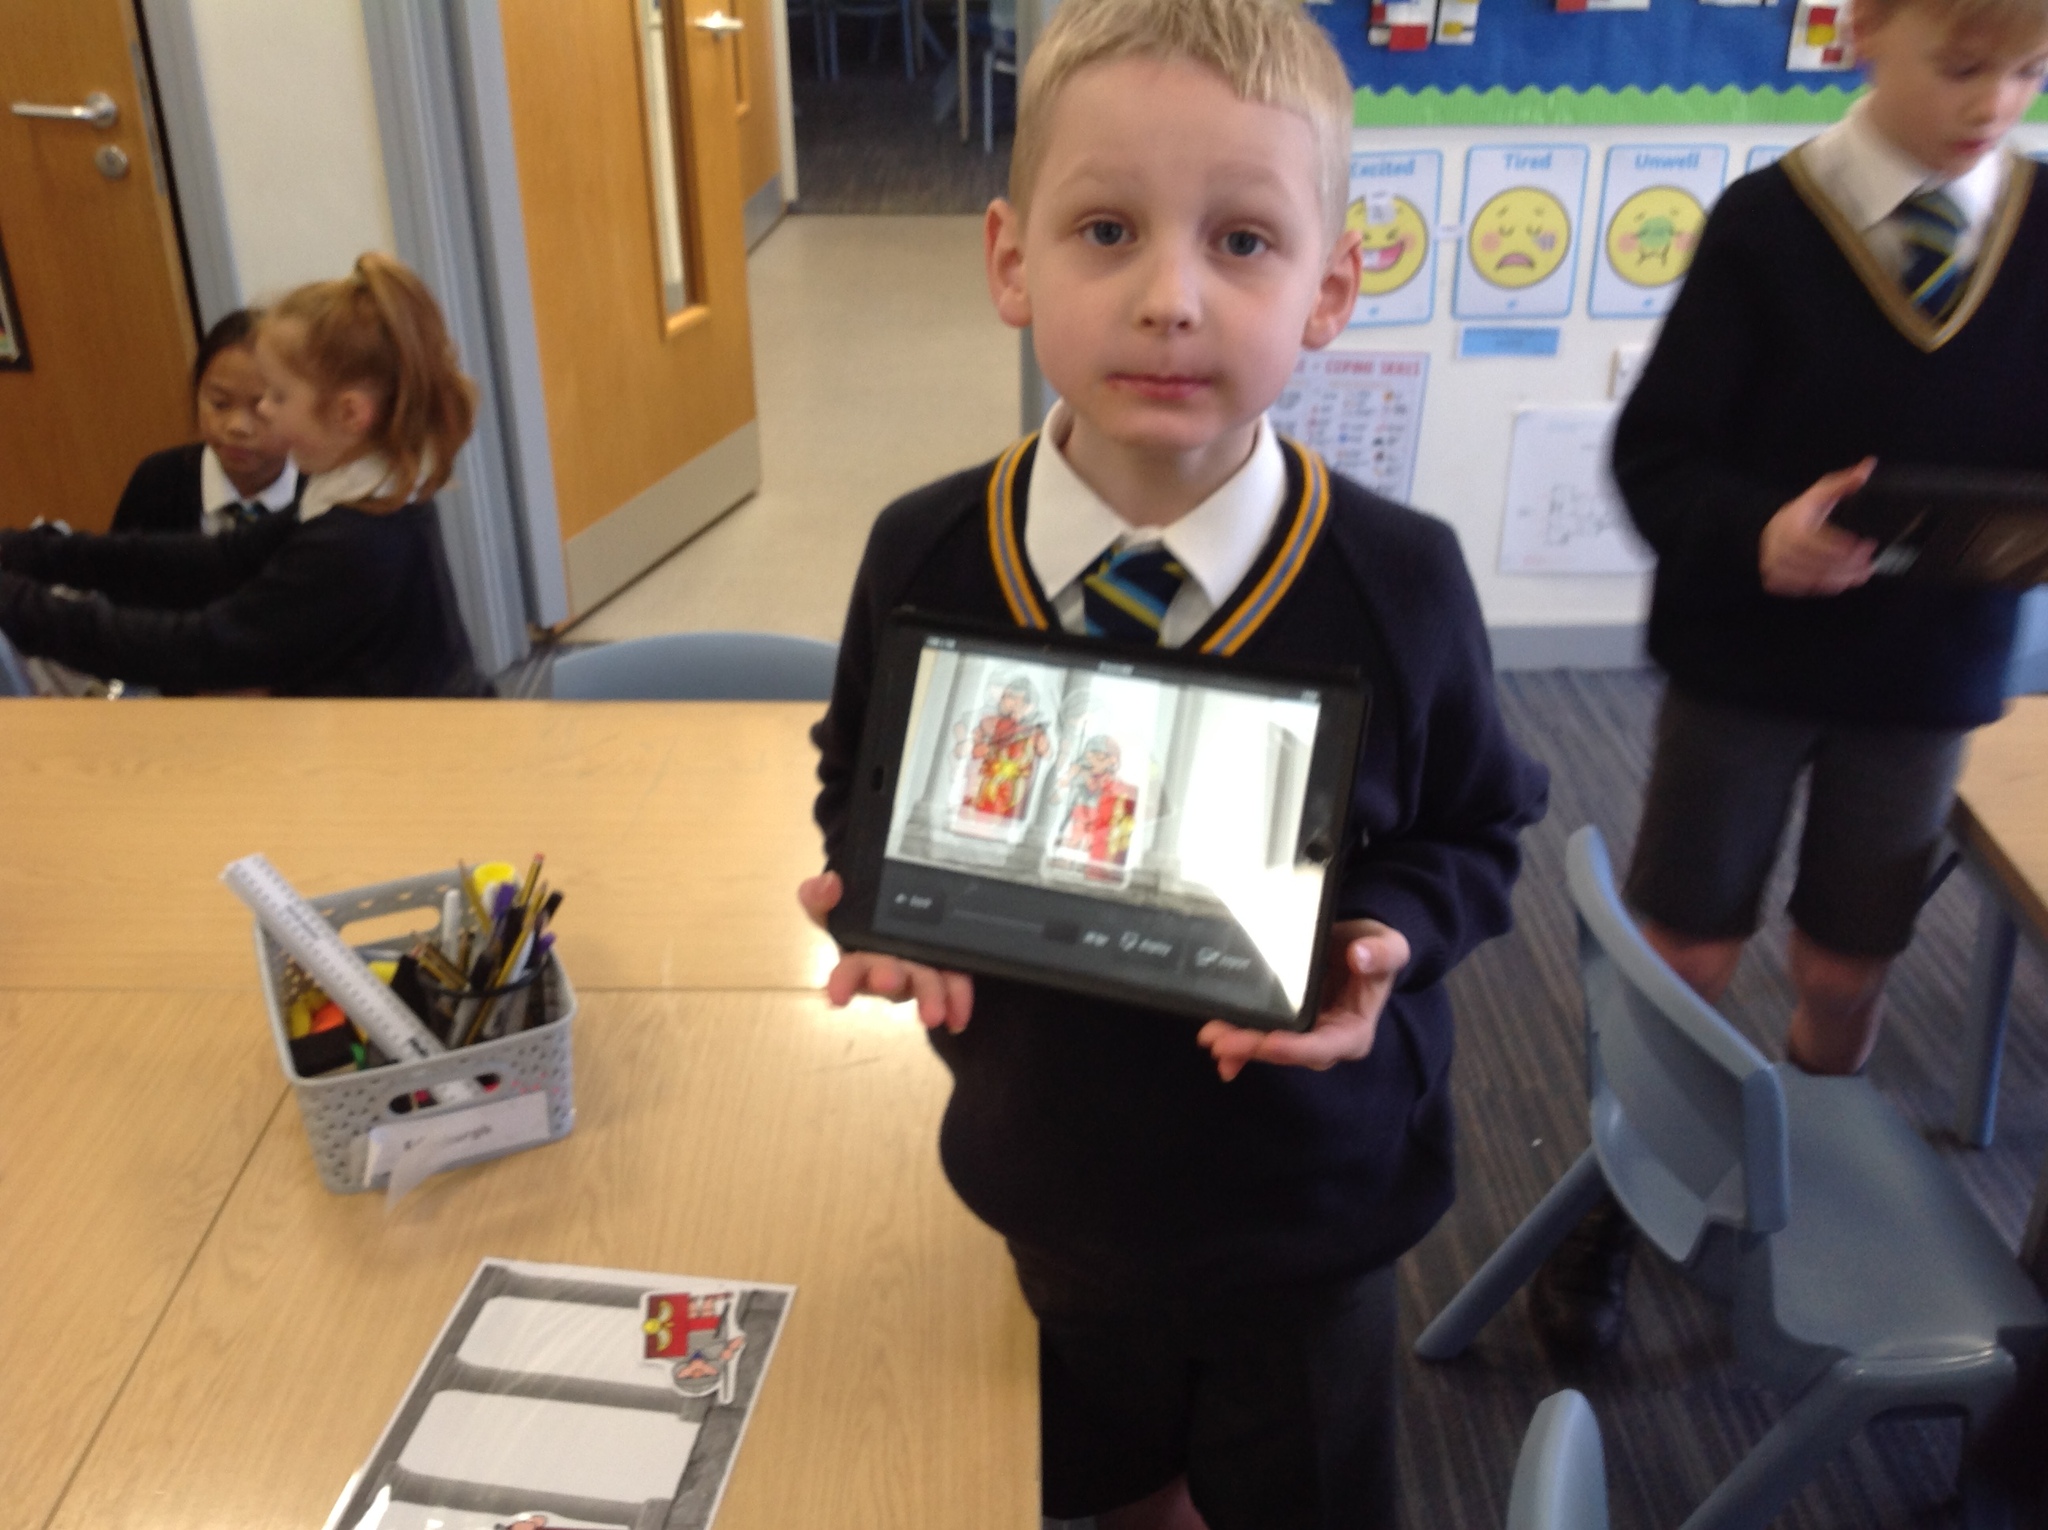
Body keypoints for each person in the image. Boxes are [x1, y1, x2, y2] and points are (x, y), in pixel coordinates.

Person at [800, 3, 1549, 1526]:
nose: (1168, 300)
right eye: (1105, 231)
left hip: (1308, 1203)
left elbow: (1479, 826)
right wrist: (875, 894)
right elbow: (857, 768)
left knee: (1301, 1490)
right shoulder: (924, 550)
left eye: (1243, 242)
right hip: (1048, 1172)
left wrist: (1388, 930)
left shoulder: (1400, 584)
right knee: (1108, 1476)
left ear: (1329, 288)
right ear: (1011, 262)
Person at [1530, 0, 2048, 1354]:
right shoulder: (1766, 226)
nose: (1994, 103)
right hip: (1745, 659)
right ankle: (1620, 1198)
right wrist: (1756, 531)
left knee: (1846, 966)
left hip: (1924, 674)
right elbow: (1655, 456)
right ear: (1864, 27)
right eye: (1962, 65)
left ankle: (1809, 1189)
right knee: (1687, 951)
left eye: (2030, 72)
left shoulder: (2040, 226)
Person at [0, 254, 488, 697]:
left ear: (349, 414)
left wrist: (19, 605)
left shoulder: (357, 540)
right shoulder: (362, 488)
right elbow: (223, 559)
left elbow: (203, 648)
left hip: (415, 752)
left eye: (277, 396)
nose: (264, 413)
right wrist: (31, 552)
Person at [109, 308, 301, 536]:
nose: (237, 426)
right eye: (220, 404)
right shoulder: (158, 480)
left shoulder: (325, 495)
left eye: (261, 408)